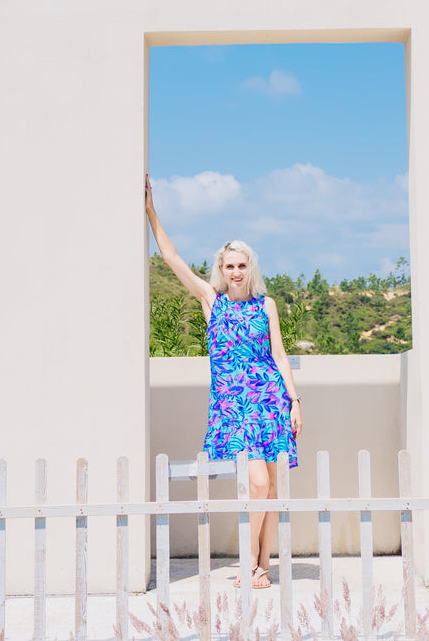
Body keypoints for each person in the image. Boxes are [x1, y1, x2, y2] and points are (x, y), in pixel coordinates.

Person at [146, 175, 302, 589]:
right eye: (229, 265)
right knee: (259, 483)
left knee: (268, 490)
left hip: (269, 400)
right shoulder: (210, 301)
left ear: (250, 268)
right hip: (233, 406)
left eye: (241, 265)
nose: (235, 271)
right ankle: (249, 562)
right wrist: (150, 212)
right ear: (220, 269)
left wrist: (295, 401)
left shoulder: (265, 305)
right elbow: (171, 257)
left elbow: (280, 356)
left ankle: (261, 566)